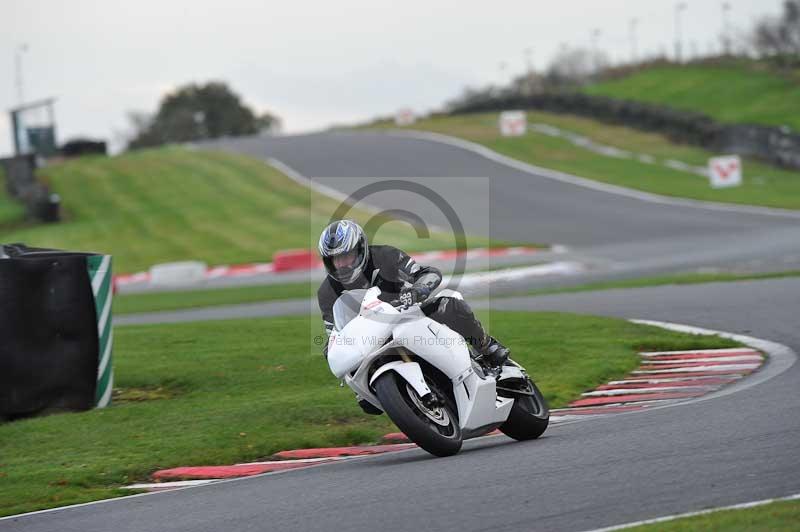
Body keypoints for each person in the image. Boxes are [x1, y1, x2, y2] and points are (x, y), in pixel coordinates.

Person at [316, 220, 509, 413]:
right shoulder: (327, 292)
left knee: (448, 303)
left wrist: (419, 289)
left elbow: (427, 273)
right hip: (373, 339)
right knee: (365, 398)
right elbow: (335, 331)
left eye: (346, 256)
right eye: (335, 260)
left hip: (410, 313)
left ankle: (485, 345)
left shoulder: (385, 255)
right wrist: (333, 350)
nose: (342, 264)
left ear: (361, 249)